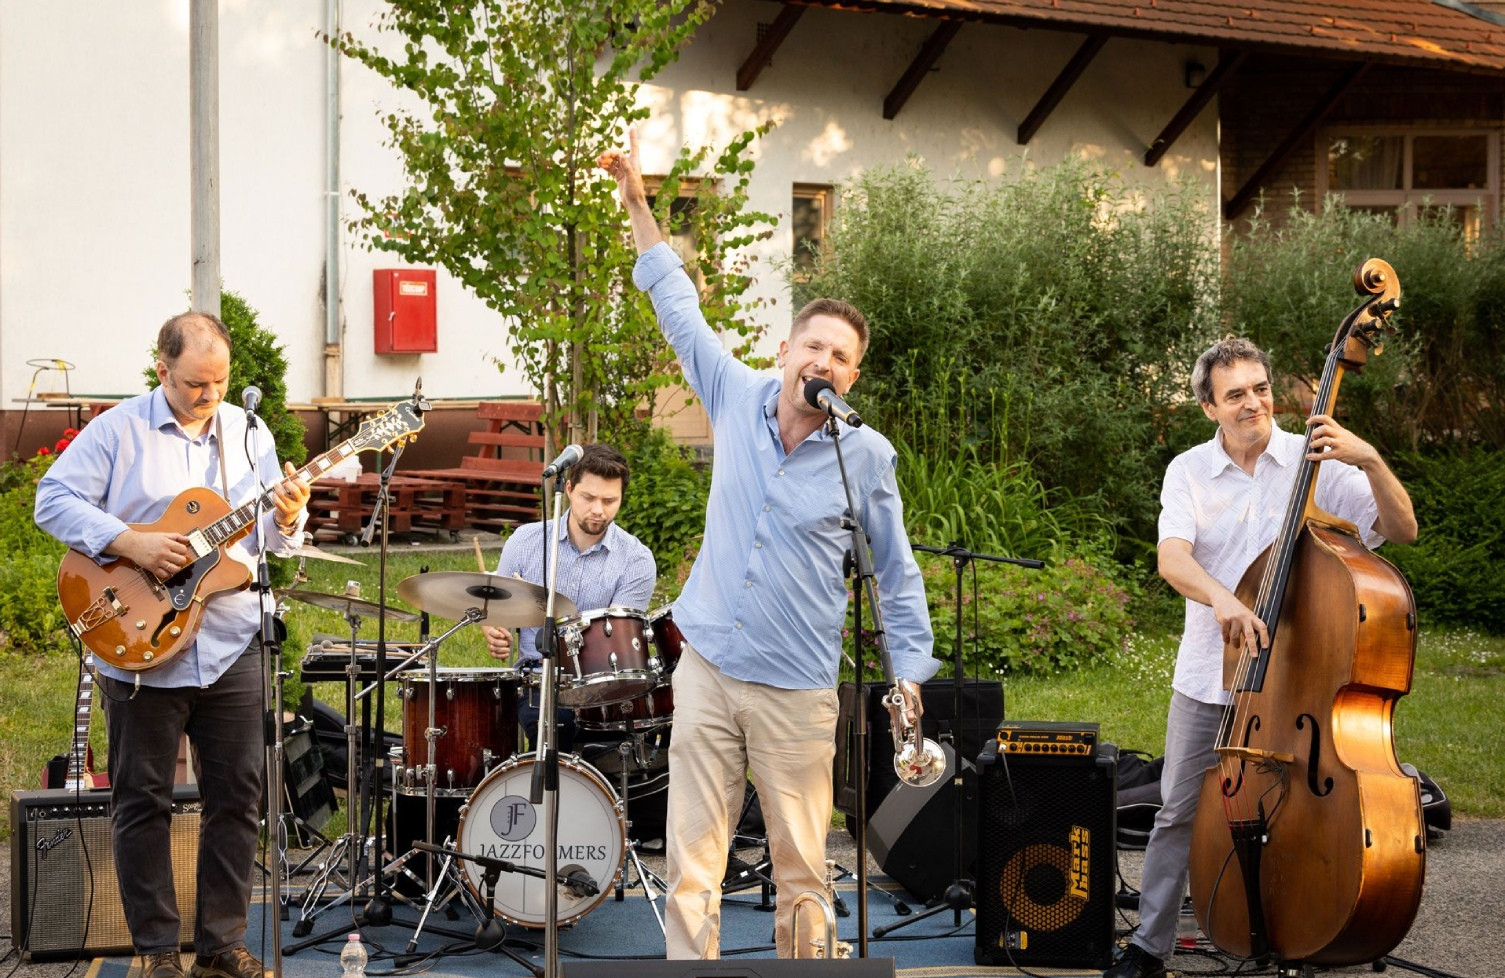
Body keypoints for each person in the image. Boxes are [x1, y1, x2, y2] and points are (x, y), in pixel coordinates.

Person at [602, 132, 940, 959]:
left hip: (795, 689)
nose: (822, 361)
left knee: (802, 872)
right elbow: (675, 303)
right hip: (709, 668)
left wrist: (908, 671)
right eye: (812, 345)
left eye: (840, 357)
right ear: (784, 351)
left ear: (849, 378)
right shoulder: (732, 392)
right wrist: (638, 202)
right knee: (692, 864)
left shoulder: (865, 455)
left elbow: (894, 574)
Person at [1105, 337, 1418, 978]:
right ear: (1209, 408)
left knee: (1310, 810)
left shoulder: (1316, 458)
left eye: (1261, 388)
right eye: (1236, 395)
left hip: (1304, 682)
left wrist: (1370, 459)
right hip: (1210, 675)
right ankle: (1149, 948)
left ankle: (1307, 928)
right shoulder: (1188, 470)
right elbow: (1172, 557)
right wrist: (1222, 598)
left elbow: (1402, 529)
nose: (1254, 403)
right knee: (1177, 812)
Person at [34, 312, 311, 978]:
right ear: (162, 370)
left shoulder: (250, 432)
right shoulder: (117, 430)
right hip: (139, 643)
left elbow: (267, 543)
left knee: (238, 799)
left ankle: (221, 944)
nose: (209, 395)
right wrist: (130, 542)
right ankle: (158, 950)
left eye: (220, 382)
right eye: (194, 384)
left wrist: (289, 515)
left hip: (232, 640)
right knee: (142, 801)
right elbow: (51, 499)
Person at [480, 442, 656, 752]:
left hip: (605, 687)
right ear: (570, 489)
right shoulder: (525, 541)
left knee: (633, 737)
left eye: (609, 500)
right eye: (589, 498)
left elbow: (617, 642)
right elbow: (497, 609)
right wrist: (493, 628)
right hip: (537, 682)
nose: (598, 510)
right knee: (554, 724)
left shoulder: (636, 559)